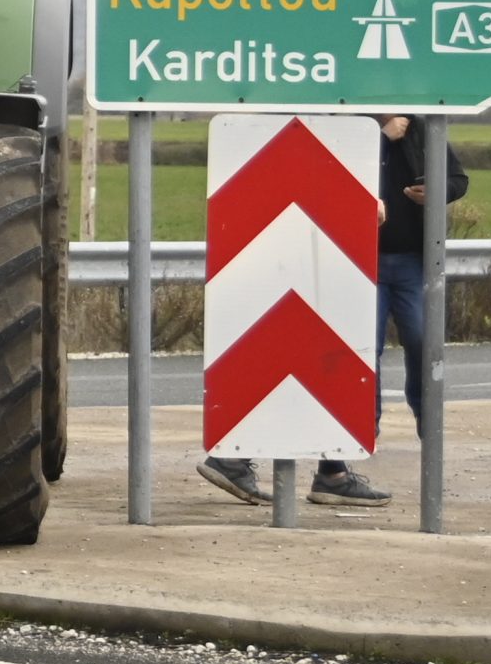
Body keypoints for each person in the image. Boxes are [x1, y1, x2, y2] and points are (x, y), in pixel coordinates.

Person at [198, 114, 467, 508]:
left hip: (411, 263)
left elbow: (458, 179)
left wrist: (438, 191)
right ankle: (329, 465)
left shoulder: (425, 130)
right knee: (354, 362)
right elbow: (318, 178)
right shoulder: (340, 127)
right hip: (351, 263)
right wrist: (376, 140)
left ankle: (361, 462)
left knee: (426, 352)